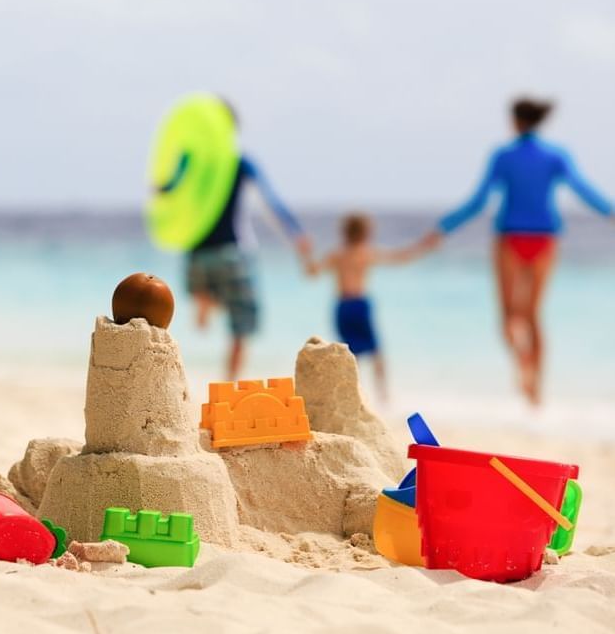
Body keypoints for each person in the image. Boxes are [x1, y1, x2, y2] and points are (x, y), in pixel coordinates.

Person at [423, 98, 613, 405]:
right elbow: (582, 188)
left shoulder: (503, 156)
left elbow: (479, 201)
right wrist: (610, 212)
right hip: (545, 238)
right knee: (533, 315)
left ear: (515, 121)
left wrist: (443, 228)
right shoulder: (556, 156)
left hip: (510, 237)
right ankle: (536, 384)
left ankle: (523, 365)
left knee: (509, 318)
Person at [183, 104, 311, 379]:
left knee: (210, 301)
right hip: (233, 253)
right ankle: (229, 383)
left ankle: (205, 301)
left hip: (196, 254)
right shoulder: (239, 163)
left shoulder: (194, 163)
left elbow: (171, 199)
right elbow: (269, 204)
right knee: (241, 328)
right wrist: (296, 235)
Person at [303, 213, 432, 403]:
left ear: (344, 232)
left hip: (344, 306)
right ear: (366, 233)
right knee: (375, 353)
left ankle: (357, 396)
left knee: (350, 356)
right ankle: (382, 396)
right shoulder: (366, 253)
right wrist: (424, 246)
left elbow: (312, 273)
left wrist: (305, 253)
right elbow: (400, 258)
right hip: (360, 305)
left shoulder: (337, 255)